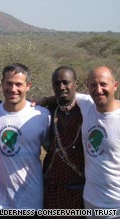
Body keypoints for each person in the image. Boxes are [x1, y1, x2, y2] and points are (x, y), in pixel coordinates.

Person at [0, 63, 50, 218]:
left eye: (19, 84)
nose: (13, 89)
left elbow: (53, 153)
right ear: (2, 83)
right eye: (9, 83)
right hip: (1, 202)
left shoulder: (42, 115)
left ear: (28, 86)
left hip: (33, 201)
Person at [75, 66, 120, 218]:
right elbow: (66, 93)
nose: (98, 89)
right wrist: (42, 100)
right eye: (93, 85)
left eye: (103, 84)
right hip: (90, 201)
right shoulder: (87, 105)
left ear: (115, 86)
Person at [43, 66, 85, 218]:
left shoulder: (88, 109)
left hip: (81, 191)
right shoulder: (47, 111)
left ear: (76, 84)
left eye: (65, 82)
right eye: (57, 83)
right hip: (53, 190)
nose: (61, 87)